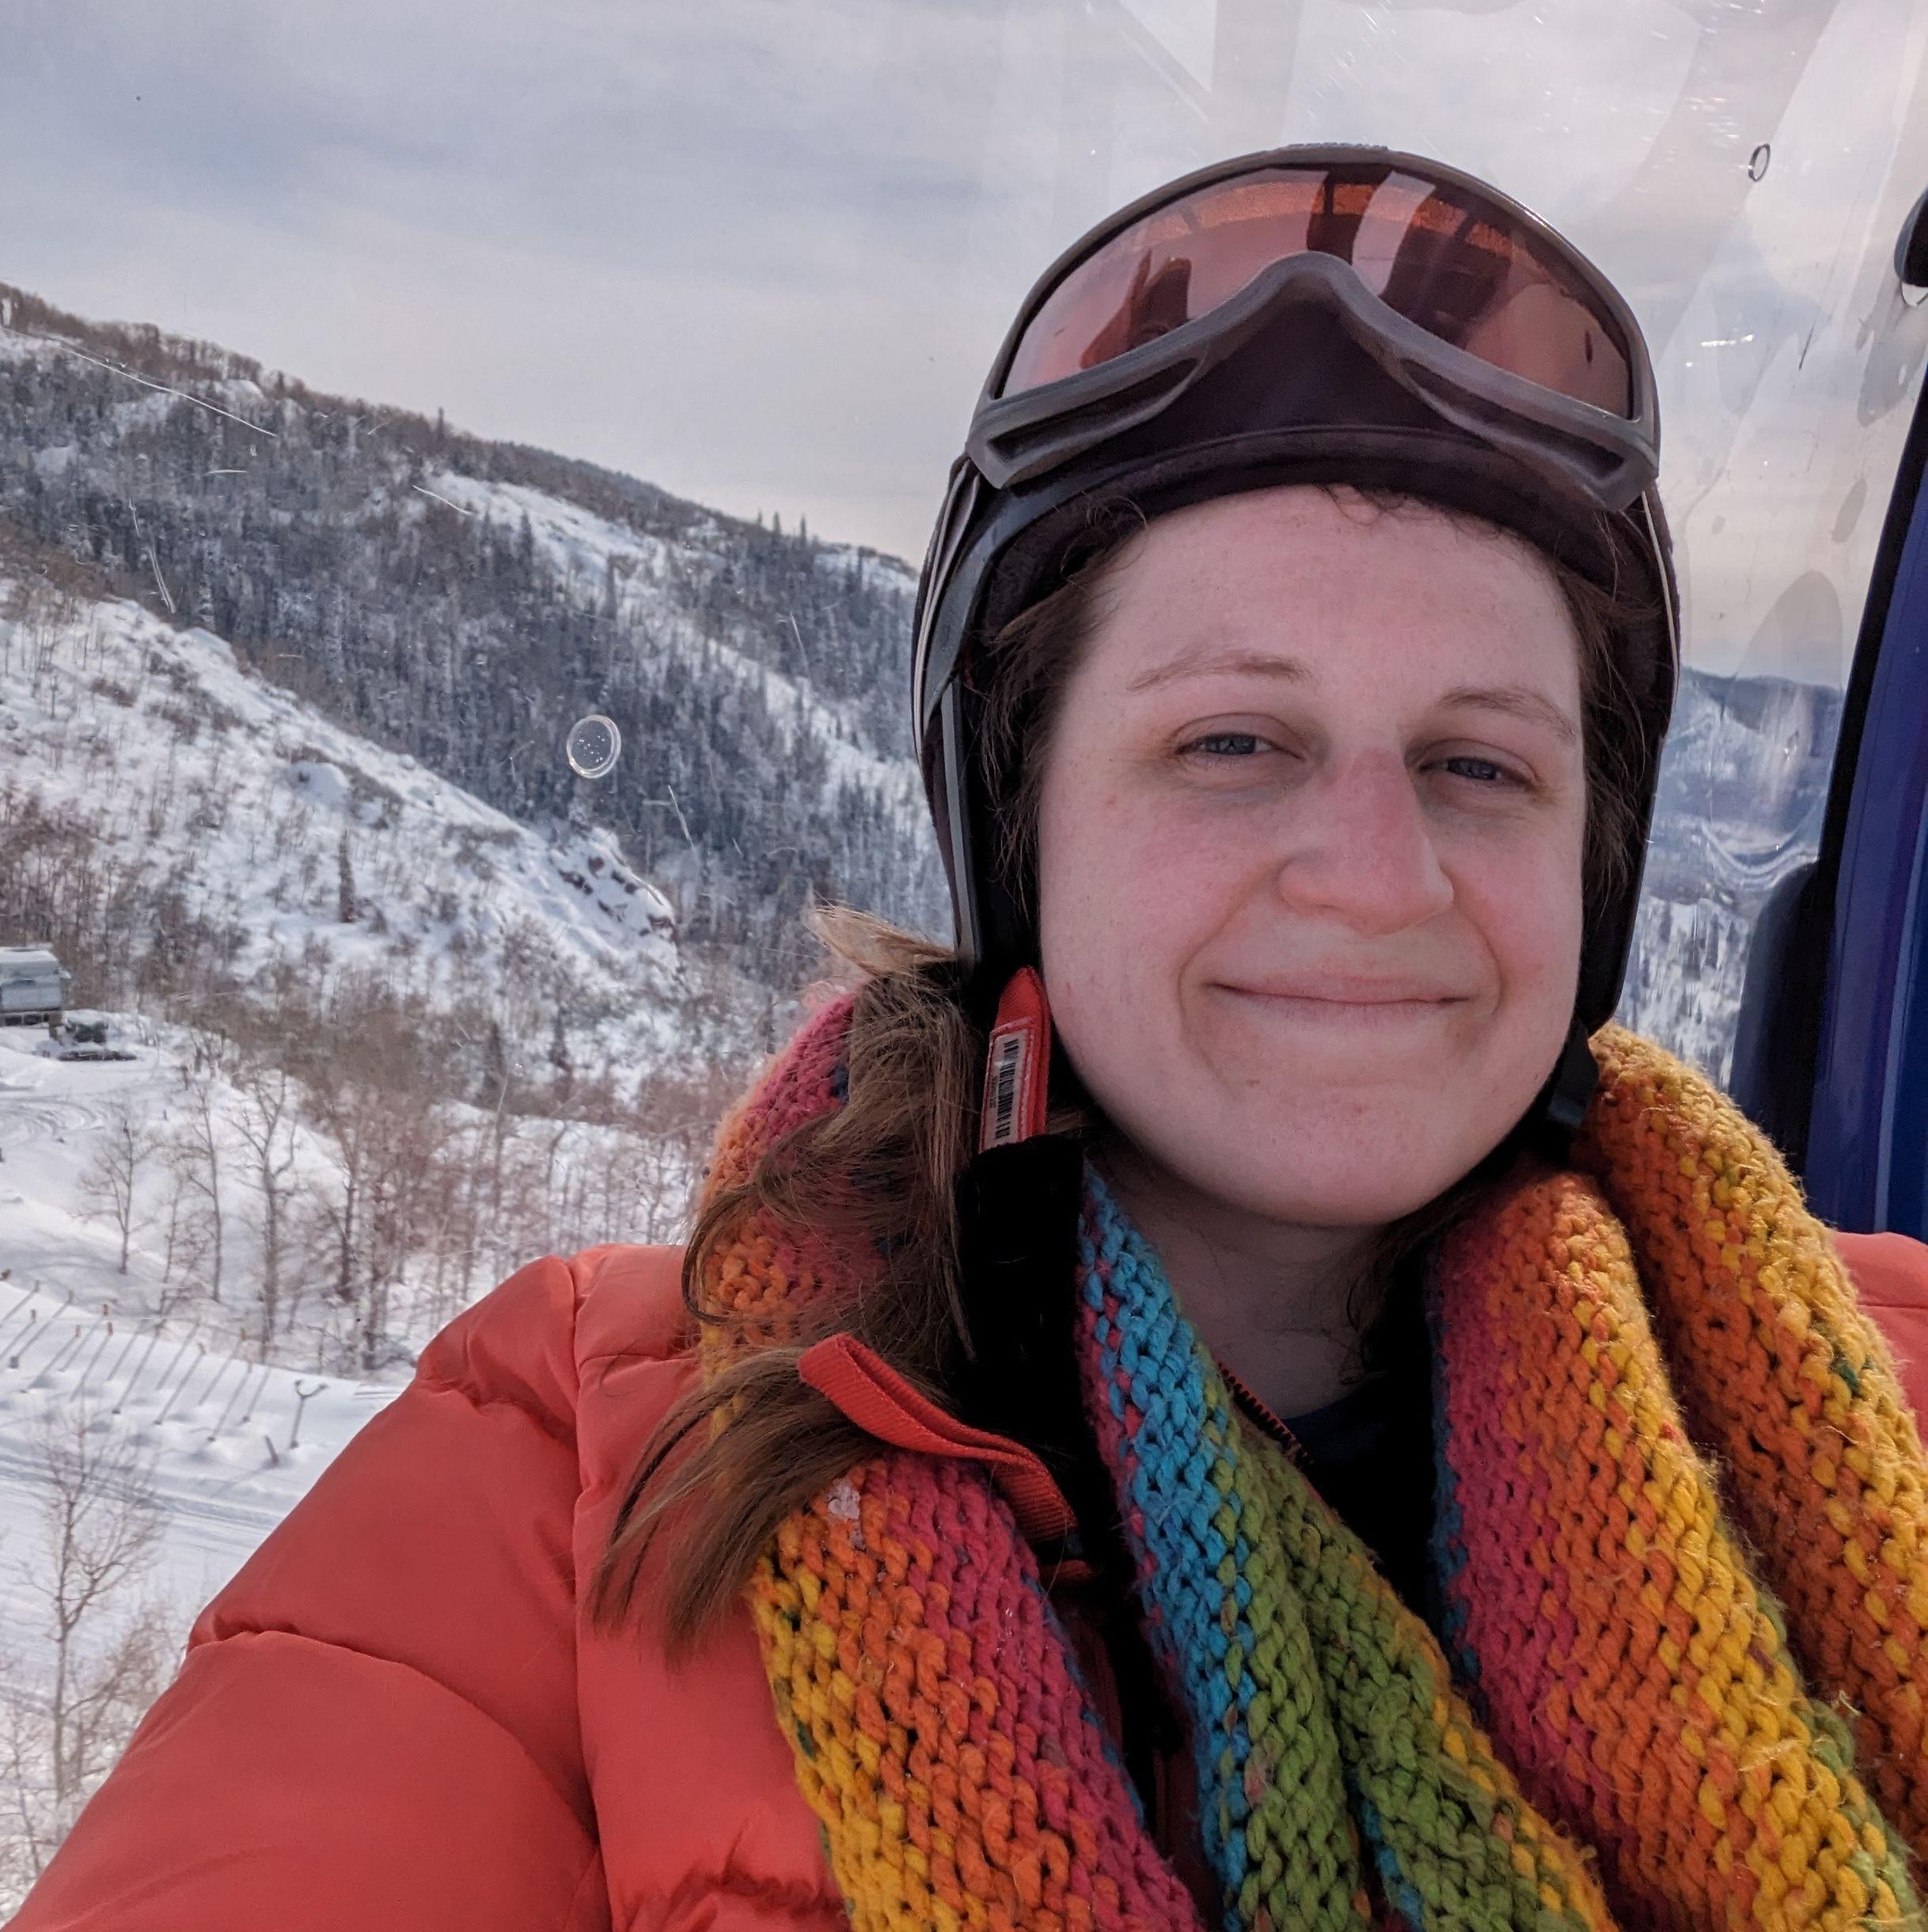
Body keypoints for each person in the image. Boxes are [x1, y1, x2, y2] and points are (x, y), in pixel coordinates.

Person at [16, 147, 1928, 1932]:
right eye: (1233, 742)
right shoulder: (577, 1471)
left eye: (1479, 764)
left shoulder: (1884, 1384)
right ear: (1027, 831)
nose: (1375, 875)